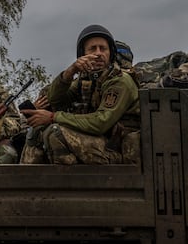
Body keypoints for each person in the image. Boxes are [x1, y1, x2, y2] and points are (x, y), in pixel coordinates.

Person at [21, 24, 140, 165]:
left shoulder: (120, 81)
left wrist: (53, 117)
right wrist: (70, 71)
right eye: (92, 49)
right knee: (36, 131)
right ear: (83, 54)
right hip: (97, 143)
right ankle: (27, 183)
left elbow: (101, 122)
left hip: (117, 151)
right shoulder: (86, 79)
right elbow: (55, 100)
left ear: (111, 53)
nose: (98, 53)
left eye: (103, 48)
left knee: (56, 133)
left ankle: (69, 184)